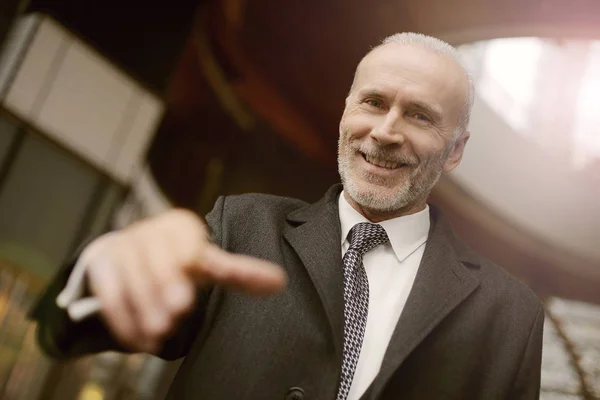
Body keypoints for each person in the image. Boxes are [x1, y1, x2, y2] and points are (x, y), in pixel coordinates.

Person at [31, 32, 544, 400]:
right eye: (373, 102)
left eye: (420, 115)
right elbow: (66, 331)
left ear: (455, 150)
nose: (386, 132)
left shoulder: (510, 313)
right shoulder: (240, 226)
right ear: (346, 112)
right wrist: (110, 262)